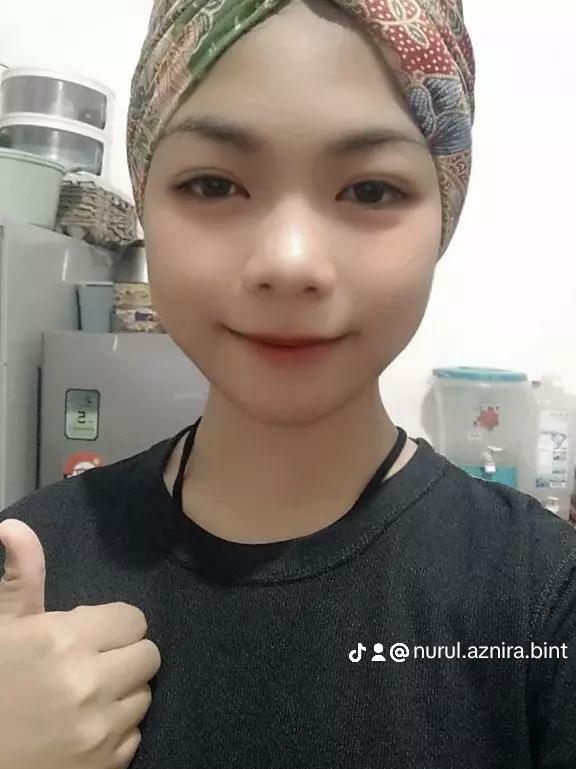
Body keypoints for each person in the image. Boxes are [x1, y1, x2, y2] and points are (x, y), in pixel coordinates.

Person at [1, 0, 575, 767]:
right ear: (145, 203)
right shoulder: (27, 569)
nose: (290, 261)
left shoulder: (541, 596)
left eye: (370, 191)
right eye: (213, 184)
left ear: (442, 215)